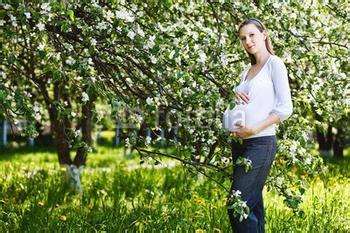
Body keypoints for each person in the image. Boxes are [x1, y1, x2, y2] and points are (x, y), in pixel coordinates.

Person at [225, 18, 293, 232]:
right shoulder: (246, 71)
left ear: (264, 34)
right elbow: (240, 105)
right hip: (241, 145)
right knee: (252, 208)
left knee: (237, 205)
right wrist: (233, 95)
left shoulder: (275, 64)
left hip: (261, 144)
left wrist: (253, 129)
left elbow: (285, 108)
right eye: (243, 38)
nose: (248, 41)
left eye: (252, 35)